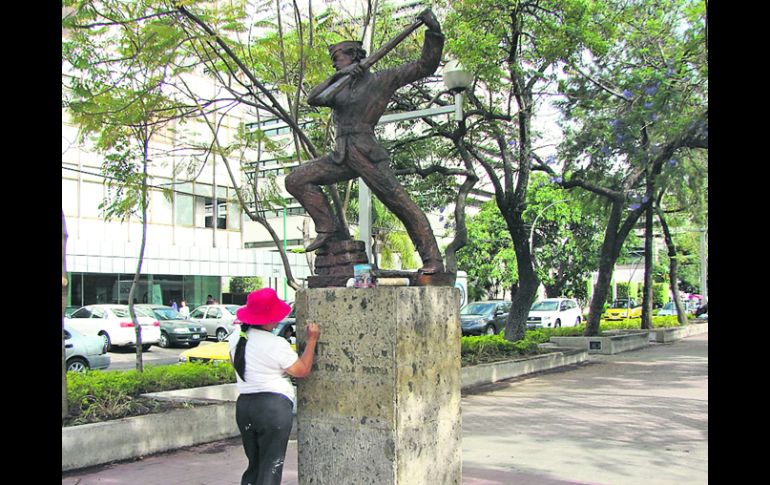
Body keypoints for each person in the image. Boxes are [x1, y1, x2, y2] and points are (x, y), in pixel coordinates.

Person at [285, 8, 445, 274]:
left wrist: (433, 31)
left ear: (355, 57)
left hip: (366, 152)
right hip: (341, 154)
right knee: (296, 179)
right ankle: (327, 228)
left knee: (400, 203)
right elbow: (314, 98)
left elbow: (424, 66)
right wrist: (339, 76)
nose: (335, 63)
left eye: (339, 59)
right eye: (334, 60)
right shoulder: (339, 88)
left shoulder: (381, 80)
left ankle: (433, 259)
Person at [228, 288, 320, 485]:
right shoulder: (276, 344)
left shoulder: (236, 338)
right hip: (271, 409)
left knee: (255, 464)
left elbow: (238, 363)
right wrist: (312, 339)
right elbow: (302, 370)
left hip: (244, 406)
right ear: (268, 319)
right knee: (271, 465)